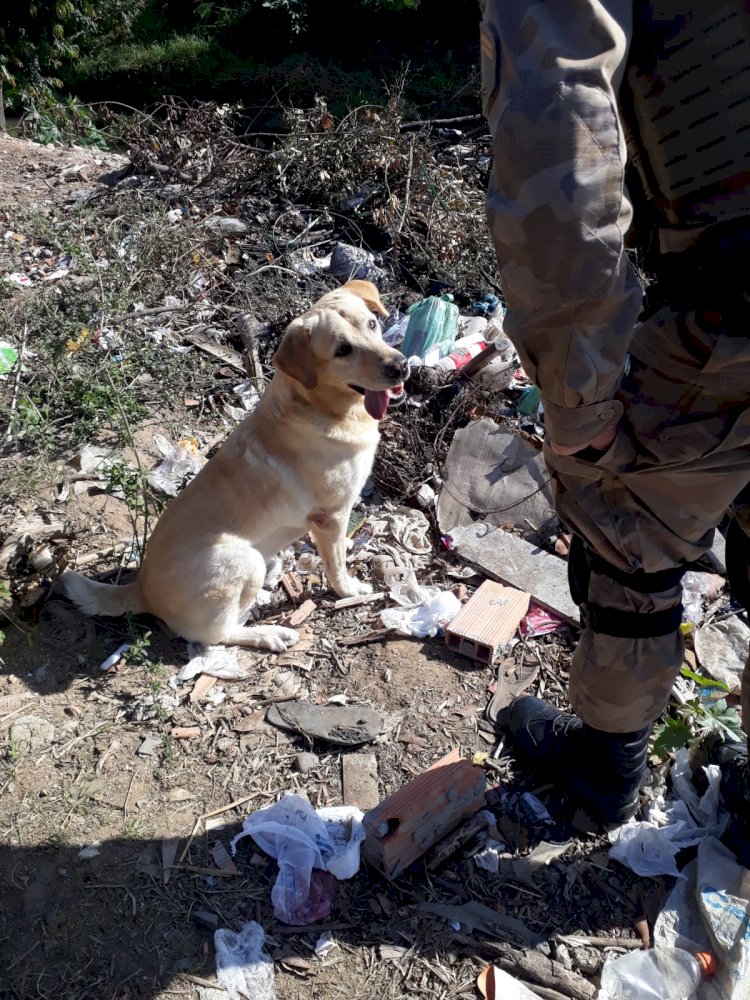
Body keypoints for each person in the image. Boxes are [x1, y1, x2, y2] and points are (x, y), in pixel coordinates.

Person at [480, 0, 750, 862]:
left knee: (625, 530)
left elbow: (557, 134)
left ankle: (602, 776)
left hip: (732, 306)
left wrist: (580, 394)